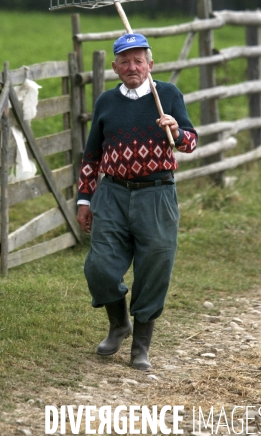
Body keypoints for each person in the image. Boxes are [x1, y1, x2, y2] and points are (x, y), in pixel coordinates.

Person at [76, 33, 198, 370]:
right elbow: (91, 155)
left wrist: (176, 130)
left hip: (157, 195)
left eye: (139, 60)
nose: (133, 67)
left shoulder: (168, 96)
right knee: (99, 266)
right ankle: (119, 325)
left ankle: (141, 346)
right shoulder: (106, 102)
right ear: (115, 67)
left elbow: (190, 143)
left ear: (150, 65)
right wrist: (84, 199)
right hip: (112, 193)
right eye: (125, 61)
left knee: (154, 268)